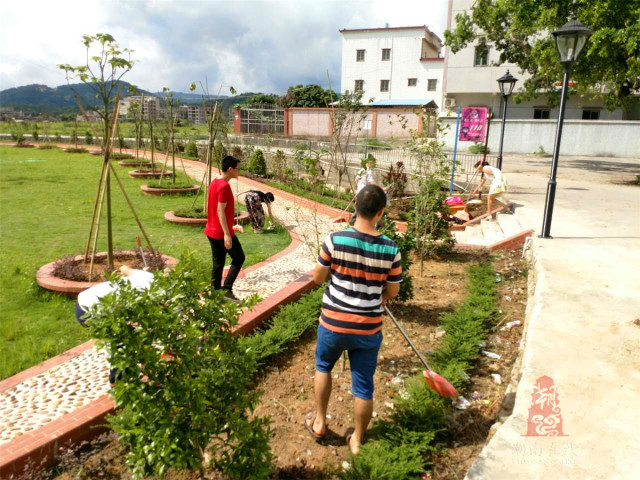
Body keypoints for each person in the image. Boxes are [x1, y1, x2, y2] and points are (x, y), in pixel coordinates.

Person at [305, 184, 402, 456]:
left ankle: (321, 422)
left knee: (323, 367)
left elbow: (317, 278)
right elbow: (392, 292)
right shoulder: (391, 249)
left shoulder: (334, 240)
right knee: (363, 384)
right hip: (367, 328)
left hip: (333, 323)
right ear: (380, 213)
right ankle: (357, 439)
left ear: (355, 206)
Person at [75, 265, 154, 385]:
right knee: (123, 343)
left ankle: (127, 380)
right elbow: (145, 335)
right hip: (90, 311)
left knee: (130, 336)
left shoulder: (148, 276)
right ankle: (118, 385)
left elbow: (123, 268)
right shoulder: (146, 301)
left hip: (83, 300)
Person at [204, 155, 245, 301]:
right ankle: (226, 289)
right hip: (221, 234)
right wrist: (228, 234)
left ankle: (215, 293)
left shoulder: (215, 182)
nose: (239, 171)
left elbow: (217, 209)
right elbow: (220, 210)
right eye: (238, 168)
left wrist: (231, 226)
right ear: (230, 169)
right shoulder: (224, 186)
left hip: (212, 231)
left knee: (218, 263)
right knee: (239, 257)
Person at [349, 159, 377, 225]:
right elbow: (372, 182)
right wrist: (381, 188)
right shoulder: (369, 171)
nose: (374, 165)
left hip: (359, 192)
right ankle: (354, 221)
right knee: (363, 207)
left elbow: (356, 181)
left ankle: (354, 220)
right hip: (364, 193)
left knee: (360, 207)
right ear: (368, 163)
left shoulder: (361, 170)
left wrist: (356, 190)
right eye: (373, 163)